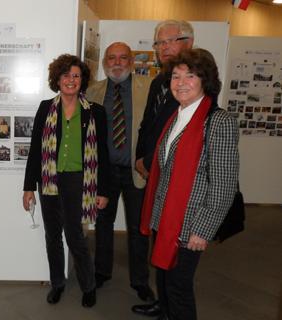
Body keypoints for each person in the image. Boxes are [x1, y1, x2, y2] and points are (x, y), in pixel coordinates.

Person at [139, 48, 239, 320]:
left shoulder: (218, 122)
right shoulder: (177, 116)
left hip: (190, 223)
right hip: (166, 219)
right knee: (163, 282)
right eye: (175, 76)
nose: (180, 82)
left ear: (205, 81)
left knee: (178, 288)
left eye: (190, 75)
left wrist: (203, 230)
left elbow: (223, 183)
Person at [22, 54, 110, 308]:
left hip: (80, 181)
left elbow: (102, 155)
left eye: (76, 76)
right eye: (65, 75)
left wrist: (102, 191)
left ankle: (88, 285)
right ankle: (57, 283)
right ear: (57, 79)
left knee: (75, 237)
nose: (70, 80)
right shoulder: (45, 108)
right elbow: (35, 151)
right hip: (49, 179)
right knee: (52, 236)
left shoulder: (96, 112)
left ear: (82, 80)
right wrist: (28, 187)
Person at [132, 20, 195, 318]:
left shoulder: (196, 82)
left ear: (189, 42)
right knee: (158, 239)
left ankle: (173, 307)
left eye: (172, 40)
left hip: (179, 182)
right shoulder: (159, 81)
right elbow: (148, 124)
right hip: (154, 173)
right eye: (160, 43)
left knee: (175, 249)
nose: (164, 47)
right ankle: (163, 302)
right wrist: (141, 156)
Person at [86, 42, 155, 302]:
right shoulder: (93, 91)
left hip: (135, 171)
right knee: (103, 223)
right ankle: (101, 272)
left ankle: (140, 281)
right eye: (112, 58)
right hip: (104, 173)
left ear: (132, 62)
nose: (117, 63)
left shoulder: (148, 88)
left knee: (138, 228)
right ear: (105, 62)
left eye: (123, 58)